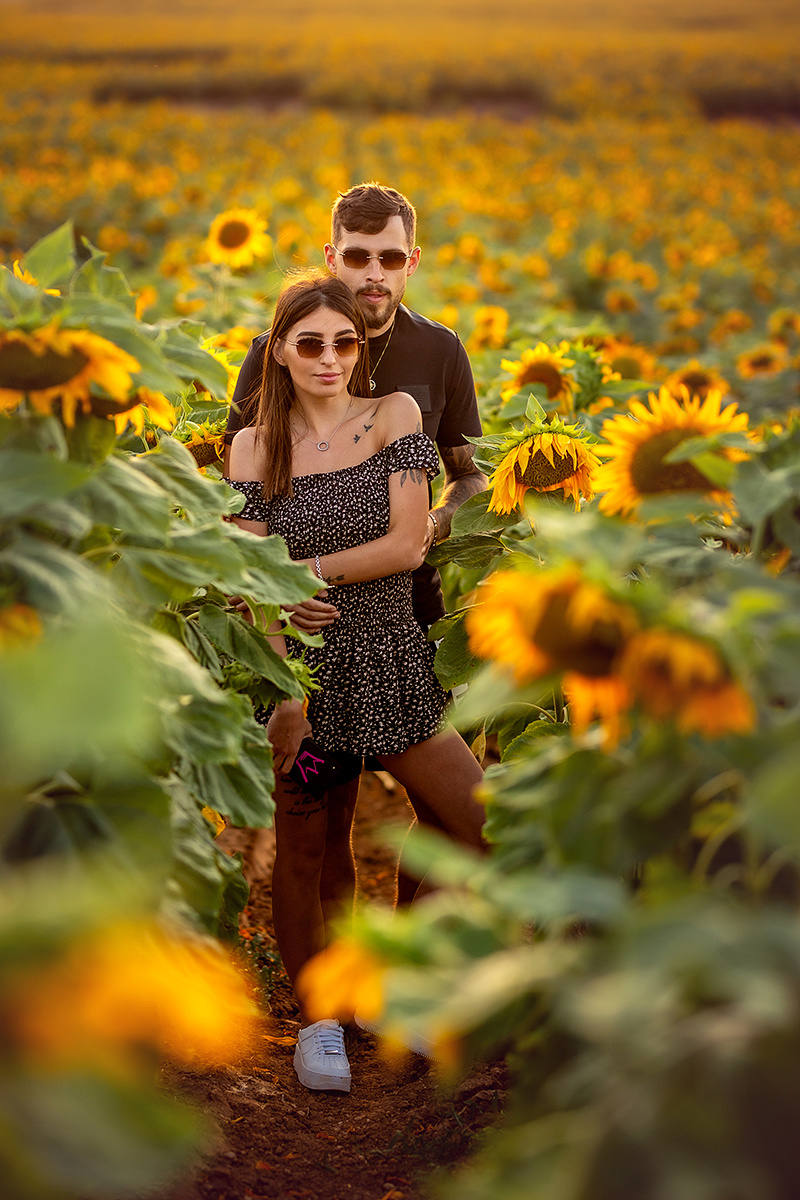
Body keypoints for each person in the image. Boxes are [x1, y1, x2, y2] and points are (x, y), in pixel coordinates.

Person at [225, 272, 485, 1093]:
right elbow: (240, 573)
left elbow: (408, 544)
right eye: (311, 343)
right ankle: (321, 1022)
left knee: (471, 821)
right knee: (307, 848)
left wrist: (293, 569)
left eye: (345, 341)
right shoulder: (255, 448)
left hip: (394, 658)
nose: (331, 356)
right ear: (280, 352)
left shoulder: (394, 417)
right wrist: (285, 687)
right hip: (305, 676)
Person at [224, 182, 487, 903]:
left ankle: (405, 982)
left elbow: (468, 476)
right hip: (312, 635)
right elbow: (240, 497)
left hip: (415, 622)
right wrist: (280, 593)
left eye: (390, 257)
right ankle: (334, 1005)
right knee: (322, 817)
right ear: (332, 257)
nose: (374, 274)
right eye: (359, 257)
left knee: (442, 815)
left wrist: (431, 525)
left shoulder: (438, 352)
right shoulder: (275, 353)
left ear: (412, 262)